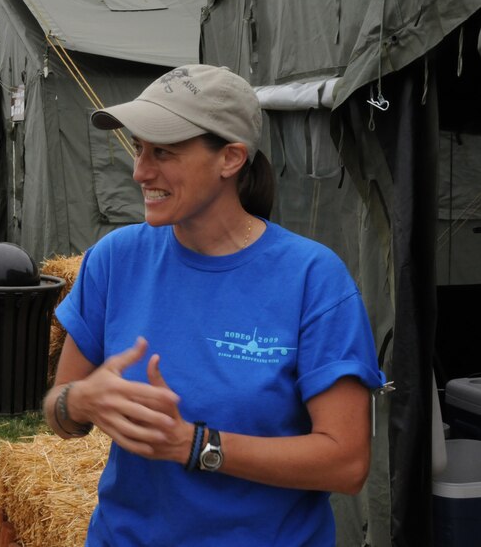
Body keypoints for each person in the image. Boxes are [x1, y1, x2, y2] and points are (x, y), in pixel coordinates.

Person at [43, 64, 385, 546]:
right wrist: (76, 401)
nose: (141, 171)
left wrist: (197, 445)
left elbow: (347, 462)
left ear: (230, 158)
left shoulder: (312, 278)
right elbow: (59, 413)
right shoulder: (114, 261)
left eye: (163, 151)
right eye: (139, 148)